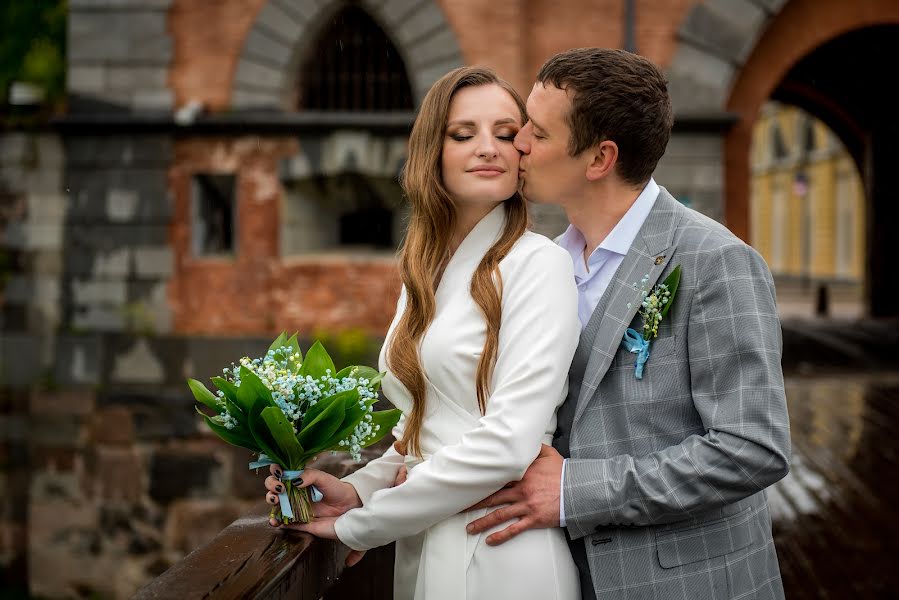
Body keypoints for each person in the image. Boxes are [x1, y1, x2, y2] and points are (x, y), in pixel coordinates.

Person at [464, 48, 792, 600]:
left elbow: (752, 447)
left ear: (599, 158)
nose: (517, 143)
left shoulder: (715, 262)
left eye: (538, 134)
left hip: (693, 584)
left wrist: (576, 491)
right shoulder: (539, 263)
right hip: (559, 575)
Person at [265, 66, 582, 600]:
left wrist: (363, 525)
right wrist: (357, 489)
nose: (489, 148)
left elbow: (509, 443)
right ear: (432, 150)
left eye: (507, 134)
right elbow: (424, 428)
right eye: (464, 134)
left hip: (499, 549)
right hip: (423, 542)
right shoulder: (422, 276)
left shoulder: (540, 265)